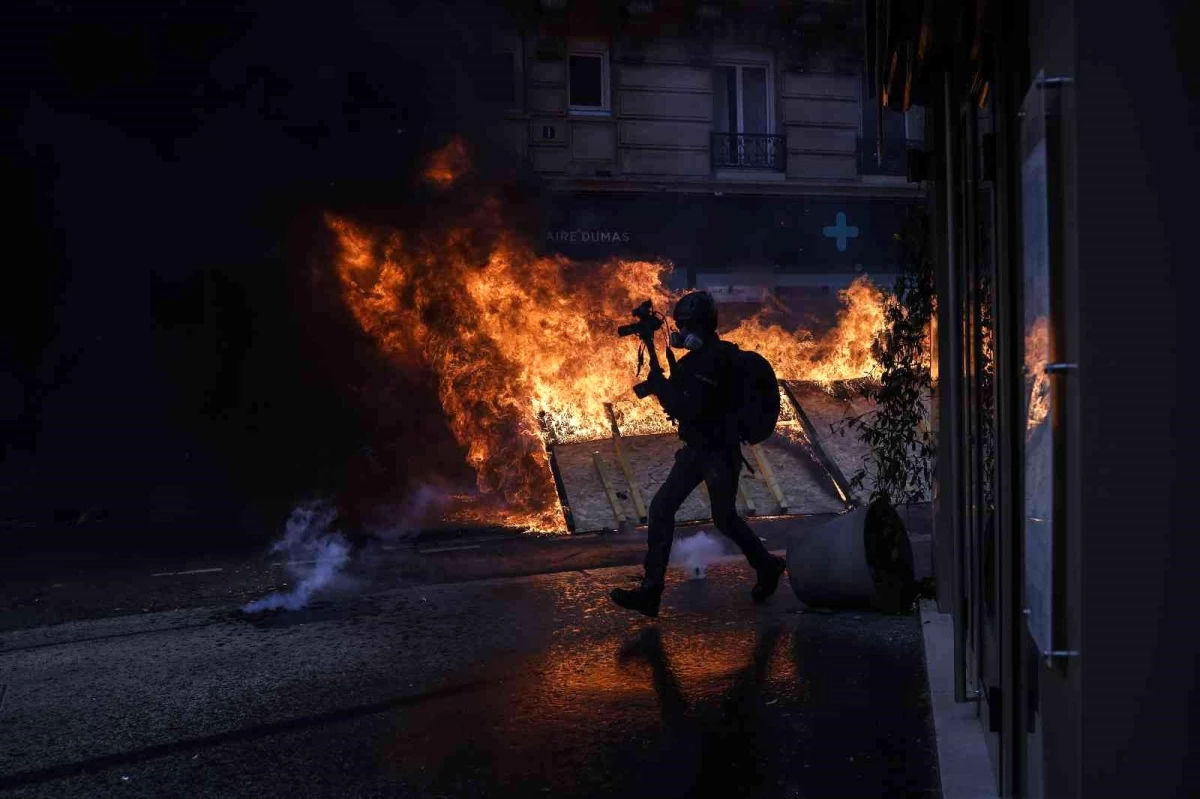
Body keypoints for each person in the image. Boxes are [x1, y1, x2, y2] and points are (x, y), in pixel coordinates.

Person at [610, 290, 787, 618]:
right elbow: (682, 402)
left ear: (699, 328)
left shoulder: (714, 361)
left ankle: (767, 566)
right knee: (666, 509)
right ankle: (652, 590)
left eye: (685, 327)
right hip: (700, 451)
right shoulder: (699, 362)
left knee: (721, 516)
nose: (679, 333)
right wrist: (660, 386)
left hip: (718, 453)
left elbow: (687, 408)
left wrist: (661, 388)